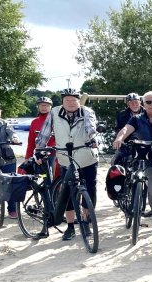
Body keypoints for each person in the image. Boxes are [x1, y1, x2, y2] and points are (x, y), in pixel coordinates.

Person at [36, 88, 99, 241]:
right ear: (62, 102)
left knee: (90, 189)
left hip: (86, 157)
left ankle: (86, 221)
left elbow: (91, 128)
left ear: (79, 101)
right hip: (65, 158)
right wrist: (39, 149)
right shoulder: (54, 112)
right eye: (67, 100)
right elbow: (45, 132)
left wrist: (93, 139)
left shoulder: (87, 112)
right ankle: (70, 226)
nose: (71, 103)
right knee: (68, 192)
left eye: (74, 100)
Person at [112, 91, 152, 222]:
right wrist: (119, 138)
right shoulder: (136, 119)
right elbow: (125, 129)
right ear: (144, 104)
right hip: (147, 161)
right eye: (149, 102)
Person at [112, 92, 143, 165]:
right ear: (128, 104)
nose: (134, 105)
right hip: (127, 144)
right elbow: (118, 128)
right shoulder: (121, 115)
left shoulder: (147, 113)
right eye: (132, 103)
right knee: (114, 162)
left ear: (140, 102)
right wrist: (119, 139)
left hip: (143, 143)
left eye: (136, 102)